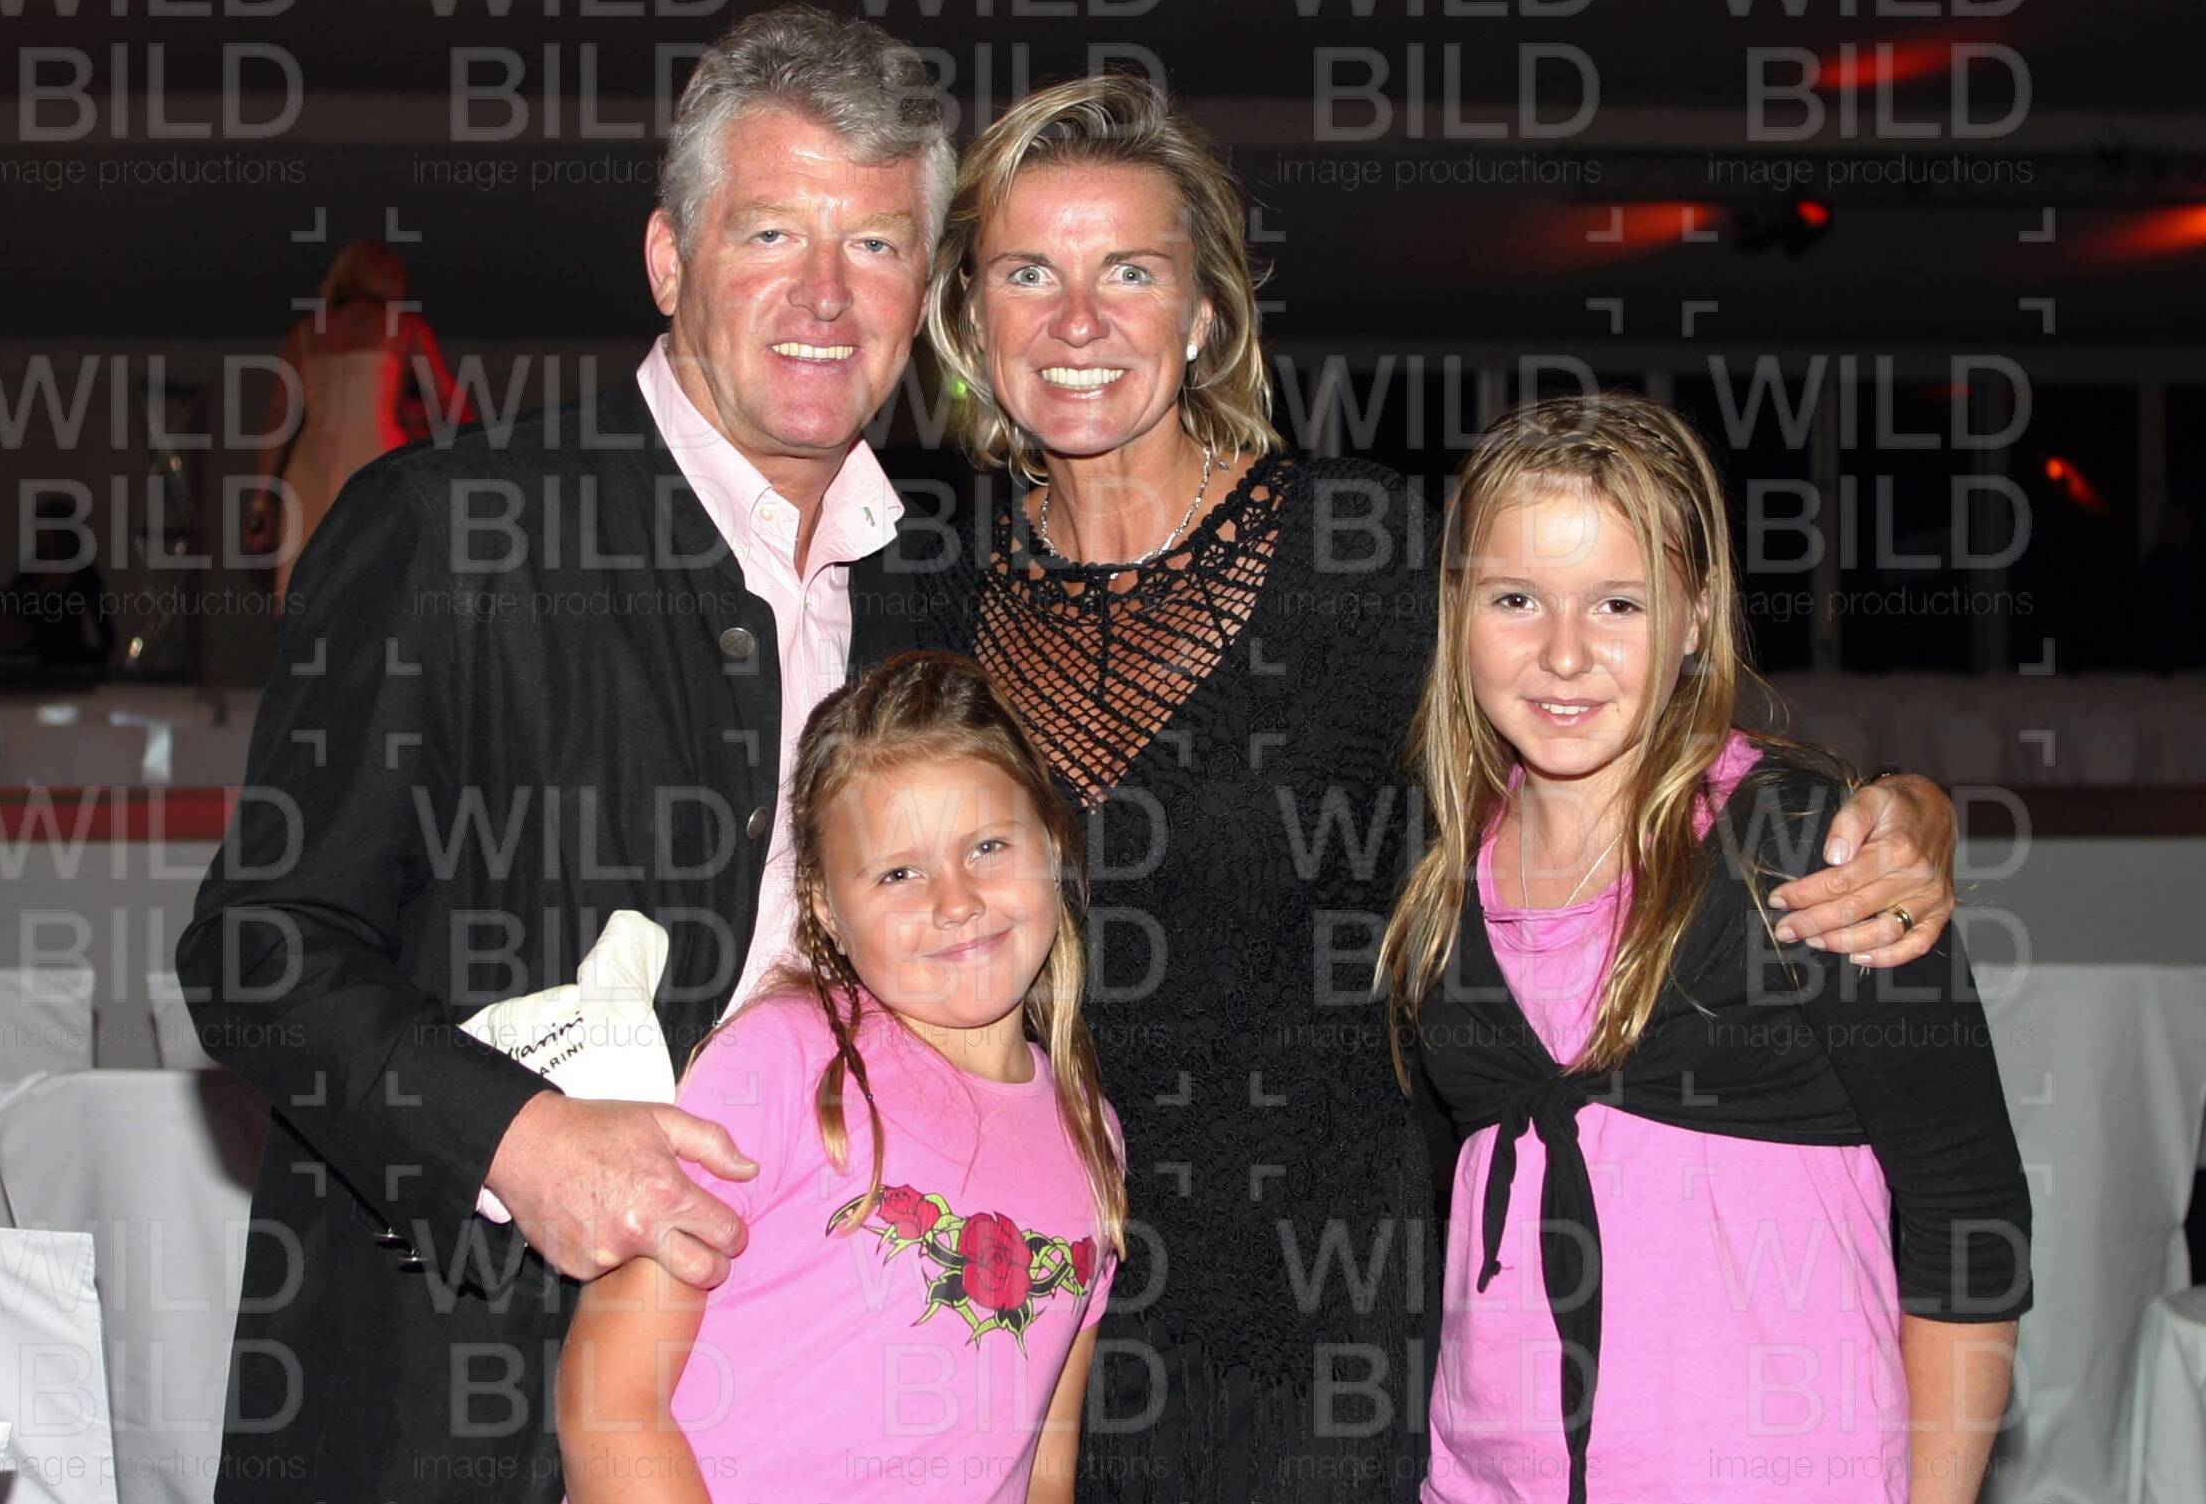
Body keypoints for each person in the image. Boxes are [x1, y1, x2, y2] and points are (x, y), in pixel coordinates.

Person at [918, 74, 1969, 1500]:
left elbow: (1601, 703)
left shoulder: (1360, 551)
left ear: (1206, 312)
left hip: (1319, 1308)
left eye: (1132, 272)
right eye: (1029, 271)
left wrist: (1893, 805)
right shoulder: (922, 592)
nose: (1079, 320)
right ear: (970, 312)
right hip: (1016, 1284)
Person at [173, 8, 955, 1503]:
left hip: (805, 1384)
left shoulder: (929, 592)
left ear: (921, 287)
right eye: (771, 232)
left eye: (874, 245)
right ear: (669, 257)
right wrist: (518, 1140)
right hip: (469, 1399)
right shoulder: (452, 530)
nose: (823, 294)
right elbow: (260, 951)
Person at [1389, 393, 2030, 1504]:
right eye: (1515, 598)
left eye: (1619, 602)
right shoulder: (1433, 871)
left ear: (1694, 617)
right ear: (1458, 611)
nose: (1563, 653)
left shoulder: (1806, 845)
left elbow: (1971, 1219)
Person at [558, 651, 1125, 1502]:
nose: (956, 901)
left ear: (1050, 839)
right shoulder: (777, 1063)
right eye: (900, 872)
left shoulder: (1093, 1134)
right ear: (825, 904)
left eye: (987, 846)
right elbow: (609, 1401)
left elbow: (1046, 1466)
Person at [242, 239, 466, 602]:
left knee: (311, 598)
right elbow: (448, 403)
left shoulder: (305, 333)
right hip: (377, 459)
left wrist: (260, 503)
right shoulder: (404, 327)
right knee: (380, 595)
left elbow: (277, 419)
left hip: (311, 469)